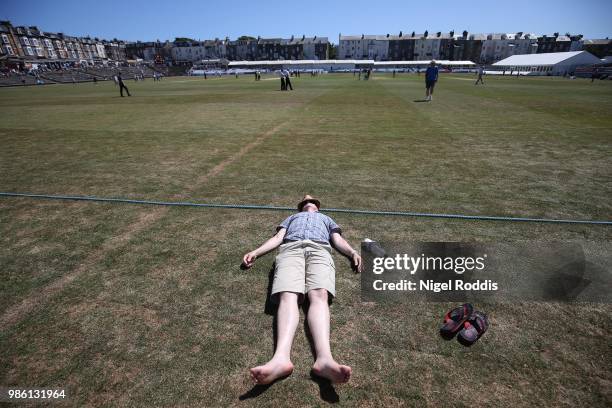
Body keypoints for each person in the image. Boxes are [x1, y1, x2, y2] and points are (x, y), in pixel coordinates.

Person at [242, 195, 362, 385]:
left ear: (317, 206)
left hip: (320, 250)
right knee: (287, 296)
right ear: (301, 207)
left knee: (319, 295)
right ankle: (280, 359)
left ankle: (325, 359)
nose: (309, 201)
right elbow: (278, 238)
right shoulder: (291, 218)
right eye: (306, 201)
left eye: (312, 201)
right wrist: (255, 252)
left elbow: (337, 239)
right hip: (290, 250)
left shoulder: (326, 219)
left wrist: (353, 252)